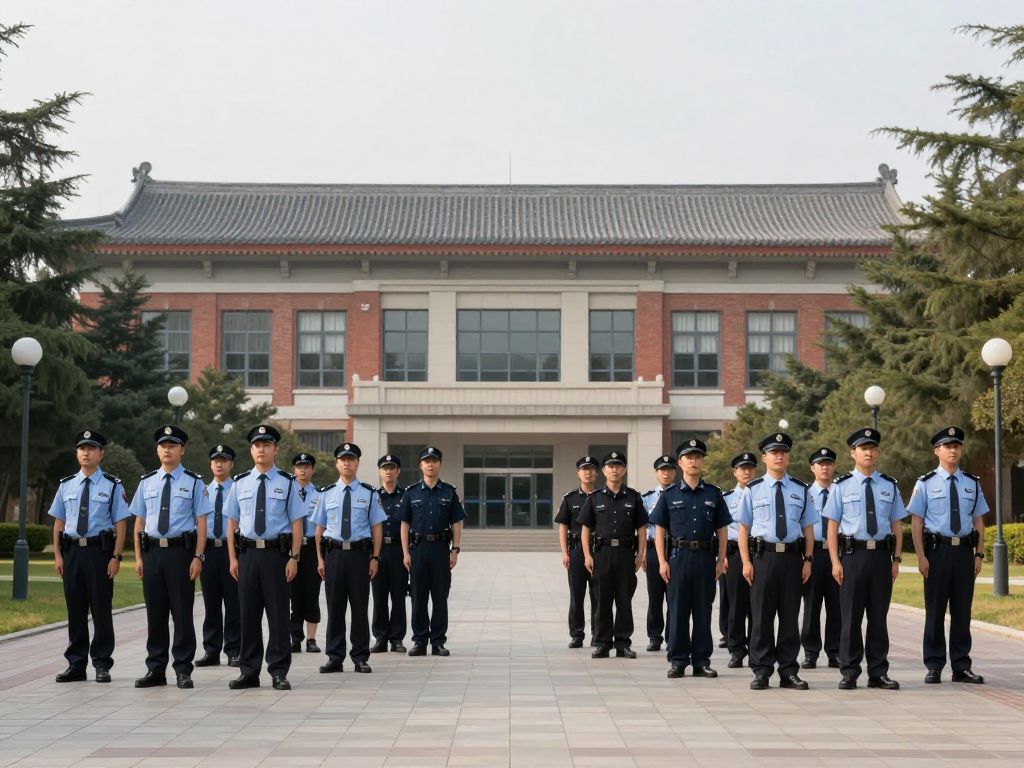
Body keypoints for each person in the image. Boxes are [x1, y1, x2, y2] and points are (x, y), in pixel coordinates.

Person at [223, 424, 305, 691]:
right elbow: (232, 523)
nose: (261, 449)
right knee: (248, 615)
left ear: (275, 449)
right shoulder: (240, 483)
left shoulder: (288, 482)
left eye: (266, 444)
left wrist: (294, 557)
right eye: (257, 444)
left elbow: (296, 524)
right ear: (251, 449)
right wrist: (233, 559)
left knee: (279, 616)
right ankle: (249, 671)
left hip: (276, 556)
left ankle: (278, 670)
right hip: (247, 556)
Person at [824, 427, 907, 691]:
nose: (869, 452)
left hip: (881, 557)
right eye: (863, 448)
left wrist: (896, 560)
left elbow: (896, 525)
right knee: (850, 617)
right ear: (853, 453)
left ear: (877, 452)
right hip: (852, 556)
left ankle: (878, 672)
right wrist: (836, 562)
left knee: (878, 617)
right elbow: (832, 526)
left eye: (872, 448)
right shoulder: (841, 486)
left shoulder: (889, 486)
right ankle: (849, 671)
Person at [129, 425, 209, 689]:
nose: (167, 449)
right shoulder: (146, 482)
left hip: (180, 554)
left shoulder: (194, 482)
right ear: (157, 450)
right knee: (155, 613)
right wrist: (139, 557)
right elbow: (139, 522)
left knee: (182, 613)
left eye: (172, 445)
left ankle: (183, 669)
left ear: (181, 450)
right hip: (152, 553)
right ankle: (155, 668)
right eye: (163, 445)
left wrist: (198, 556)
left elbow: (201, 522)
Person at [49, 430, 131, 684]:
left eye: (91, 448)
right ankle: (76, 664)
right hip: (72, 553)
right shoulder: (66, 485)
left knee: (100, 609)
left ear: (101, 453)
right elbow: (59, 523)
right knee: (75, 610)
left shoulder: (112, 485)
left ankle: (102, 663)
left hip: (99, 553)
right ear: (77, 453)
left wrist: (116, 556)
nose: (85, 453)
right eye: (81, 448)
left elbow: (121, 524)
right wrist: (58, 556)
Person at [908, 426, 988, 685]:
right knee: (935, 610)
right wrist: (921, 556)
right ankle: (933, 664)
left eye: (957, 445)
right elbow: (917, 522)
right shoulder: (925, 483)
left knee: (962, 610)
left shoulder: (972, 483)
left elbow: (978, 521)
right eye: (948, 446)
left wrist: (979, 554)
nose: (953, 450)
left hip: (964, 553)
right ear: (937, 451)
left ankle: (961, 665)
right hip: (937, 551)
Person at [737, 432, 816, 690]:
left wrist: (808, 560)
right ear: (764, 458)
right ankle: (761, 669)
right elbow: (743, 529)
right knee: (761, 616)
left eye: (783, 451)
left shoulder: (801, 490)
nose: (779, 456)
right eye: (774, 452)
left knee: (790, 616)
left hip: (793, 559)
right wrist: (746, 562)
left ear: (788, 456)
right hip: (763, 558)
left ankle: (788, 670)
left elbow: (808, 530)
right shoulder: (753, 489)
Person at [651, 439, 730, 678]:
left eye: (698, 457)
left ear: (702, 461)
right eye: (689, 457)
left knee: (703, 611)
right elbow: (660, 528)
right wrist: (663, 561)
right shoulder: (670, 494)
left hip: (705, 558)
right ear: (680, 463)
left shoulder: (713, 494)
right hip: (678, 558)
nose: (694, 461)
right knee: (677, 611)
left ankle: (701, 660)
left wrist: (720, 559)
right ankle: (677, 660)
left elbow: (722, 530)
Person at [314, 442, 386, 674]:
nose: (347, 463)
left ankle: (360, 656)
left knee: (359, 607)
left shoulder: (369, 493)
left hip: (359, 556)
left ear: (357, 463)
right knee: (334, 608)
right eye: (343, 459)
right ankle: (334, 656)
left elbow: (377, 528)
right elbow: (319, 528)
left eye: (351, 459)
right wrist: (320, 559)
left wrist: (375, 557)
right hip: (334, 555)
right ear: (337, 463)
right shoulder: (326, 494)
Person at [579, 451, 647, 659]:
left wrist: (640, 555)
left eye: (619, 466)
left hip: (627, 554)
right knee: (602, 601)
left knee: (624, 600)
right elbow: (585, 529)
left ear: (624, 469)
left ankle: (623, 643)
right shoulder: (595, 498)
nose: (614, 469)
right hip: (602, 554)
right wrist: (587, 556)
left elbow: (642, 529)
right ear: (604, 470)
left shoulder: (634, 497)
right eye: (610, 466)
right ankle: (602, 643)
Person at [399, 446, 466, 656]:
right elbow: (404, 524)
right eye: (426, 461)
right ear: (421, 465)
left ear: (440, 464)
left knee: (439, 597)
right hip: (417, 549)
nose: (430, 464)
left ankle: (438, 641)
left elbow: (456, 522)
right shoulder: (411, 493)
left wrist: (454, 550)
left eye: (434, 461)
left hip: (440, 550)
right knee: (418, 597)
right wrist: (405, 553)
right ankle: (419, 641)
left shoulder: (449, 492)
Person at [196, 444, 241, 668]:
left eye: (224, 460)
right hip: (209, 551)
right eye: (215, 460)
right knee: (210, 603)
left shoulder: (239, 489)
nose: (219, 464)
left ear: (231, 464)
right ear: (210, 464)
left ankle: (234, 650)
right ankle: (211, 650)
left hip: (232, 550)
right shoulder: (203, 490)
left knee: (234, 603)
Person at [800, 447, 841, 670]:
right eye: (820, 463)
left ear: (834, 466)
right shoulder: (804, 493)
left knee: (837, 606)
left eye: (828, 463)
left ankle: (834, 651)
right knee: (811, 605)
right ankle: (810, 651)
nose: (825, 467)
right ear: (812, 468)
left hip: (838, 554)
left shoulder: (841, 491)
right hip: (813, 554)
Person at [555, 456, 600, 649]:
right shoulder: (570, 498)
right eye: (584, 469)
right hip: (576, 551)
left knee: (599, 594)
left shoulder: (602, 496)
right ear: (578, 473)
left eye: (591, 469)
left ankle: (598, 635)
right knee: (577, 594)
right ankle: (577, 634)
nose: (588, 472)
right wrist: (565, 552)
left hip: (599, 550)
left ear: (597, 473)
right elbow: (563, 527)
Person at [371, 454, 410, 653]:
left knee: (398, 595)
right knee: (379, 596)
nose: (388, 471)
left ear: (398, 471)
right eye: (384, 468)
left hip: (398, 550)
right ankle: (380, 637)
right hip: (378, 551)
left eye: (392, 467)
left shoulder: (406, 495)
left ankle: (397, 638)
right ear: (379, 472)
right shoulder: (372, 495)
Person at [723, 452, 756, 669]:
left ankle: (756, 648)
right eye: (742, 468)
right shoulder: (725, 498)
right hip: (733, 553)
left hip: (758, 551)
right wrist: (722, 554)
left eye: (750, 468)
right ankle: (736, 649)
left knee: (757, 604)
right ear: (735, 472)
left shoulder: (762, 494)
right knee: (736, 604)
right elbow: (720, 529)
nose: (746, 472)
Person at [642, 455, 677, 652]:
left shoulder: (679, 495)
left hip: (675, 548)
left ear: (675, 472)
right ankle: (655, 636)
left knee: (674, 596)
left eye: (669, 470)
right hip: (654, 549)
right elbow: (643, 527)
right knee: (655, 596)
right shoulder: (646, 498)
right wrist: (643, 553)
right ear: (656, 473)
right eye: (662, 470)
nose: (666, 473)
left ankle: (672, 636)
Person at [289, 452, 323, 654]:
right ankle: (295, 637)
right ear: (294, 469)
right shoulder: (286, 491)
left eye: (307, 466)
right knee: (293, 594)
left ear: (313, 470)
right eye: (299, 466)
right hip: (291, 548)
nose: (303, 470)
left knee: (312, 592)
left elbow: (322, 525)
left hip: (311, 547)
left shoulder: (319, 494)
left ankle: (311, 638)